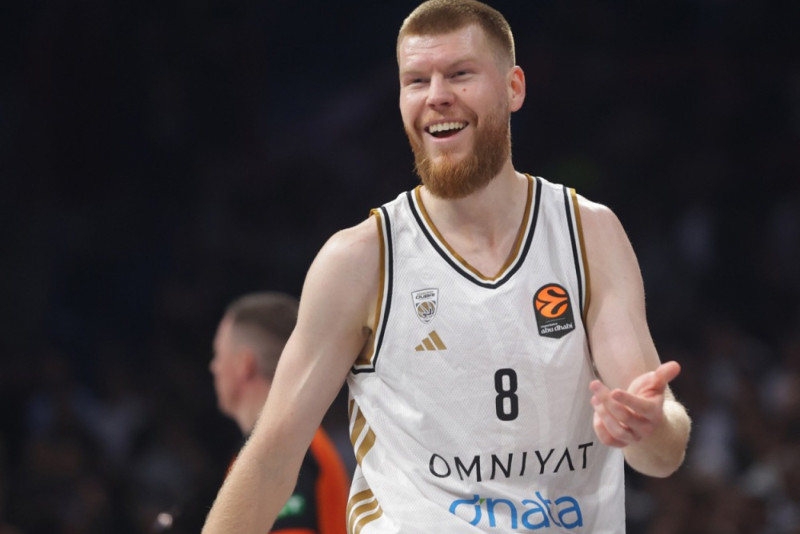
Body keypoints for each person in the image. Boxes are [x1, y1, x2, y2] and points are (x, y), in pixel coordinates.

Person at [202, 1, 692, 532]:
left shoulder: (588, 234)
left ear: (514, 88)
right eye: (416, 80)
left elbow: (660, 453)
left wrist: (649, 427)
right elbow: (271, 460)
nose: (436, 95)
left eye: (460, 74)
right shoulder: (361, 260)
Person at [209, 292, 350, 534]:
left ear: (244, 364)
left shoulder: (279, 451)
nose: (214, 367)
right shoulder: (283, 445)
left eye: (218, 355)